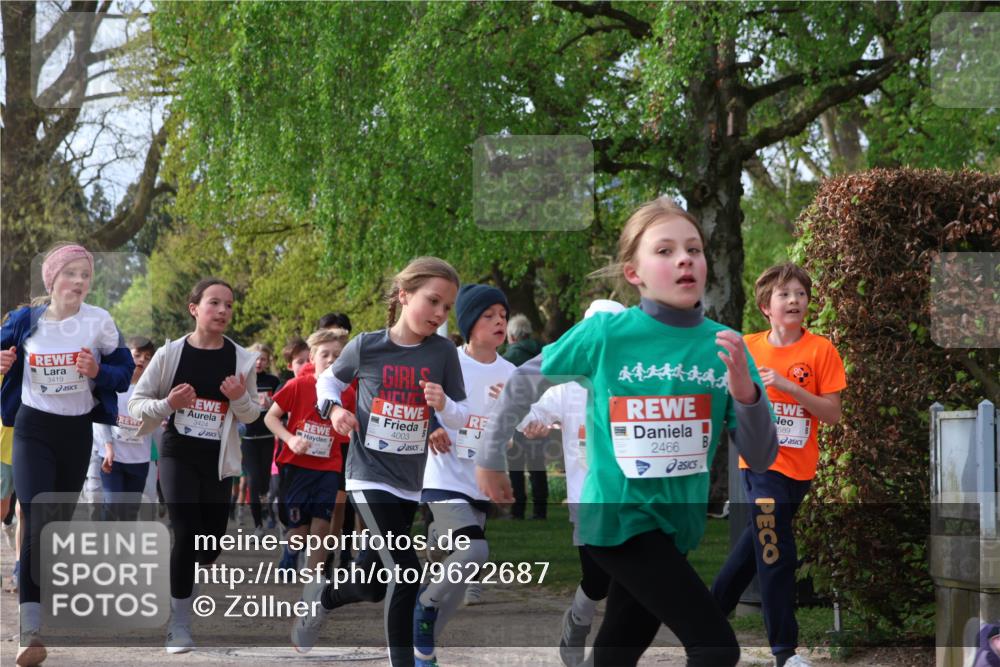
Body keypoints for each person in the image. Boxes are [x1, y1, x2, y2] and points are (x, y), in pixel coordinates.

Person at [476, 196, 778, 667]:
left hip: (674, 526)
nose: (684, 259)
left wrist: (746, 395)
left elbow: (760, 456)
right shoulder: (607, 334)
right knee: (716, 647)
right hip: (617, 519)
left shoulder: (726, 347)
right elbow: (525, 378)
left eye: (694, 249)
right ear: (633, 272)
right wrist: (491, 456)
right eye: (664, 250)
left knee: (616, 651)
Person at [291, 256, 468, 667]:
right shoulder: (368, 346)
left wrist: (444, 410)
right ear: (404, 295)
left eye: (447, 307)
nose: (440, 314)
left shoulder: (442, 351)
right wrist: (333, 411)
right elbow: (328, 380)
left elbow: (462, 413)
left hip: (410, 481)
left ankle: (322, 597)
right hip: (367, 475)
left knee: (370, 584)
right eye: (433, 301)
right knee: (406, 570)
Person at [1, 243, 135, 667]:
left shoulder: (99, 321)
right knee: (36, 515)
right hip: (32, 428)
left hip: (76, 431)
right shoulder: (26, 319)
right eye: (71, 274)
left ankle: (42, 601)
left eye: (85, 275)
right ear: (52, 279)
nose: (79, 282)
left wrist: (99, 372)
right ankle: (30, 630)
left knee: (55, 522)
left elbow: (124, 370)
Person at [711, 263, 846, 667]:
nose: (794, 301)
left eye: (800, 294)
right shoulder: (746, 346)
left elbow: (832, 414)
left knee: (753, 548)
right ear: (766, 305)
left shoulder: (821, 350)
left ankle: (705, 619)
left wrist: (788, 386)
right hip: (760, 466)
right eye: (784, 294)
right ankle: (784, 652)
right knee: (776, 551)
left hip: (799, 472)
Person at [128, 278, 260, 654]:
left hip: (218, 462)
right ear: (194, 308)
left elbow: (251, 415)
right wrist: (168, 404)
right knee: (185, 532)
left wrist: (237, 398)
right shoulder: (170, 355)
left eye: (229, 305)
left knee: (209, 543)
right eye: (215, 303)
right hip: (177, 454)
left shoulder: (240, 359)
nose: (223, 311)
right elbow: (138, 404)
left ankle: (182, 577)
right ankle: (179, 625)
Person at [516, 299, 625, 667]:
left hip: (629, 498)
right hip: (586, 498)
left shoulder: (634, 382)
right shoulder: (568, 388)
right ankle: (577, 620)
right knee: (597, 579)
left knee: (628, 583)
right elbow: (536, 413)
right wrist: (526, 420)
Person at [414, 284, 515, 666]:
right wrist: (431, 426)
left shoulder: (511, 372)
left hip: (480, 481)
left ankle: (421, 651)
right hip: (442, 478)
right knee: (474, 550)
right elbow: (415, 399)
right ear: (471, 323)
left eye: (503, 316)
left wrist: (524, 425)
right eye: (489, 316)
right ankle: (423, 605)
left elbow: (524, 417)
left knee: (455, 579)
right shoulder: (447, 359)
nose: (498, 322)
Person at [264, 328, 354, 571]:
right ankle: (292, 549)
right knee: (299, 532)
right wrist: (290, 438)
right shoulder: (298, 385)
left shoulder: (348, 393)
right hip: (296, 466)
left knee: (322, 525)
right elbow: (270, 418)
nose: (332, 360)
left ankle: (312, 590)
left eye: (337, 355)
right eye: (325, 354)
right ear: (312, 358)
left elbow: (351, 429)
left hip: (329, 467)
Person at [97, 336, 156, 521]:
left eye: (147, 358)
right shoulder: (113, 383)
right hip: (112, 457)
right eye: (137, 355)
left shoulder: (153, 390)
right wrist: (108, 446)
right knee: (113, 505)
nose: (141, 361)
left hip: (139, 459)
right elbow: (100, 418)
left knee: (128, 515)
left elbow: (162, 420)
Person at [503, 314, 548, 520]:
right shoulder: (545, 353)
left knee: (516, 466)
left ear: (512, 336)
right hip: (542, 414)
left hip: (516, 415)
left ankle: (517, 509)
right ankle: (540, 510)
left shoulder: (508, 359)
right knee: (538, 466)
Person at [241, 343, 281, 536]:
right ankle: (258, 526)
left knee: (264, 482)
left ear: (267, 361)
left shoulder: (273, 381)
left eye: (262, 359)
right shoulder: (242, 380)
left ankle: (265, 502)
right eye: (255, 358)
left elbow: (283, 406)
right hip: (248, 438)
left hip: (267, 437)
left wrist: (272, 403)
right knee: (253, 480)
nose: (258, 362)